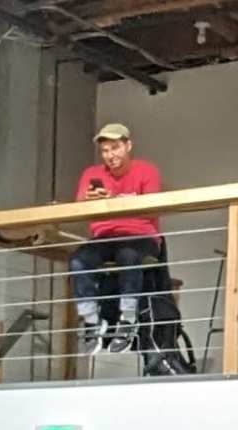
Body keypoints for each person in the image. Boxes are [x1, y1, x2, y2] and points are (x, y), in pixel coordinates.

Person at [68, 121, 167, 350]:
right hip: (103, 237)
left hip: (141, 235)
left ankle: (128, 319)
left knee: (128, 255)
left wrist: (115, 200)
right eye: (105, 150)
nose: (110, 155)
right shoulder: (91, 174)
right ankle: (92, 320)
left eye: (115, 148)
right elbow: (79, 209)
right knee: (78, 260)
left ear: (128, 146)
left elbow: (154, 209)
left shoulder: (147, 170)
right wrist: (89, 201)